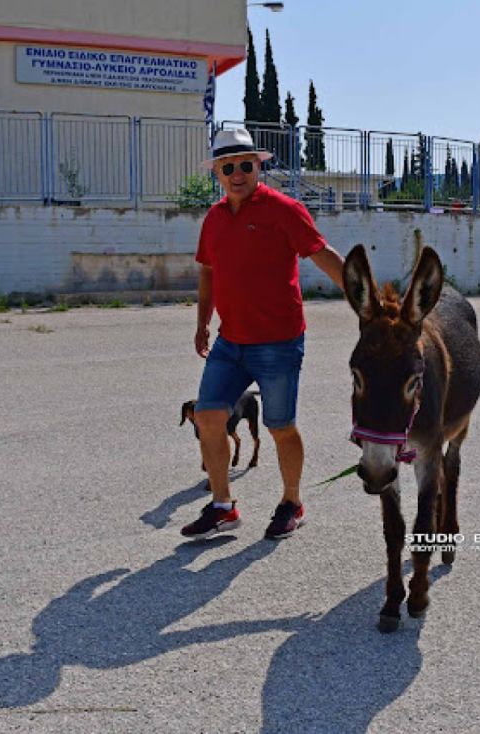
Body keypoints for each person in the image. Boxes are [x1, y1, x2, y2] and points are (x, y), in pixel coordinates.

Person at [182, 128, 344, 541]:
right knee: (208, 416)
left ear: (259, 166)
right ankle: (223, 507)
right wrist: (203, 322)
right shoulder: (215, 218)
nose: (238, 174)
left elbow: (322, 255)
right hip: (230, 341)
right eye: (229, 167)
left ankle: (292, 501)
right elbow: (208, 272)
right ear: (217, 172)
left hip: (278, 342)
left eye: (246, 165)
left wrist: (370, 298)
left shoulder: (284, 209)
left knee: (280, 426)